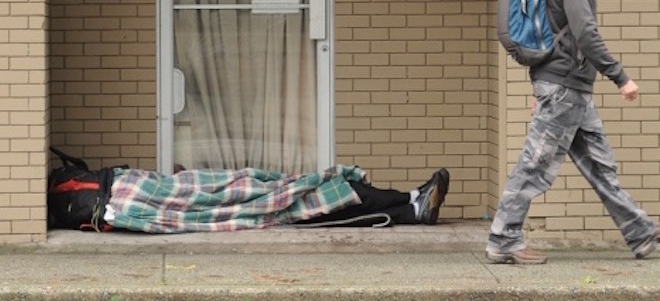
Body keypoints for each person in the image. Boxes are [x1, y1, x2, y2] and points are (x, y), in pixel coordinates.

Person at [486, 0, 659, 265]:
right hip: (565, 89)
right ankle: (503, 239)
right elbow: (584, 34)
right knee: (534, 165)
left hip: (566, 89)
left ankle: (641, 235)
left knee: (600, 166)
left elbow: (550, 37)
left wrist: (541, 86)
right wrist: (620, 77)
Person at [48, 149, 450, 234]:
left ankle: (413, 203)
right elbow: (187, 207)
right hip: (220, 201)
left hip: (199, 189)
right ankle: (412, 205)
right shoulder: (122, 199)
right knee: (320, 197)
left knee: (302, 190)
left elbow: (178, 189)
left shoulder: (116, 198)